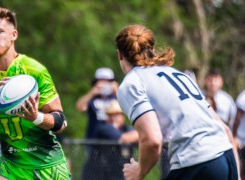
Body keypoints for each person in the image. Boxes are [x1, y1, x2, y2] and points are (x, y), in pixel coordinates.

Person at [115, 24, 239, 180]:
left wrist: (139, 172)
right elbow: (225, 130)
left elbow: (152, 140)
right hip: (226, 157)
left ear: (120, 54)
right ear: (151, 49)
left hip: (197, 163)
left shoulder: (131, 83)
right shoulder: (178, 74)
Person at [0, 7, 70, 180]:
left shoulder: (34, 70)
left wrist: (36, 117)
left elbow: (61, 122)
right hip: (10, 163)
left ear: (14, 35)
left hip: (46, 164)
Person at [81, 100, 138, 180]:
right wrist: (144, 134)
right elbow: (124, 138)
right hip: (97, 173)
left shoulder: (126, 129)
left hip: (118, 173)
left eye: (116, 114)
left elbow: (137, 139)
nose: (113, 118)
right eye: (110, 115)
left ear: (122, 116)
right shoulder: (103, 128)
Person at [76, 67, 118, 153]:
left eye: (108, 81)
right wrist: (92, 93)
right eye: (102, 81)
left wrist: (117, 90)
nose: (104, 84)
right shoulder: (92, 99)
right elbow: (80, 107)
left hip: (113, 140)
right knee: (93, 166)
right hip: (93, 140)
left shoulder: (115, 98)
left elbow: (126, 108)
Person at [233, 90, 245, 178]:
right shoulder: (243, 96)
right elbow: (238, 118)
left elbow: (237, 118)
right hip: (242, 141)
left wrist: (234, 136)